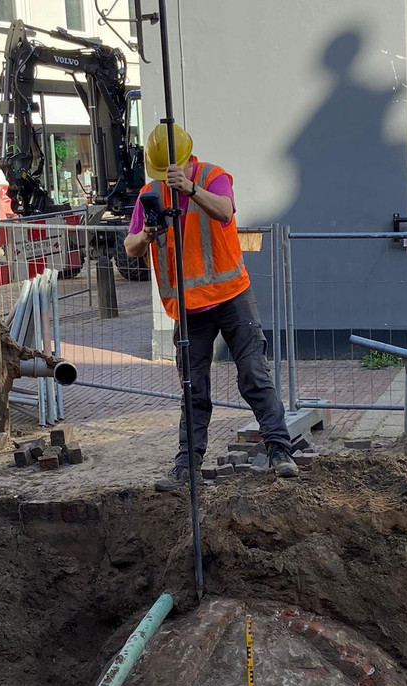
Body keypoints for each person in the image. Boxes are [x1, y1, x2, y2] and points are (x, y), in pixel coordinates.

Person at [124, 123, 298, 491]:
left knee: (254, 372)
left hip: (232, 296)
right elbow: (130, 247)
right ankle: (187, 467)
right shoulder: (149, 194)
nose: (169, 176)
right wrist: (146, 235)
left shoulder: (212, 177)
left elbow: (224, 211)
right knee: (193, 387)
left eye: (175, 168)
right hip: (189, 309)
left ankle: (280, 452)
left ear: (188, 159)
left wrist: (191, 189)